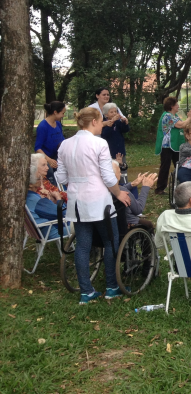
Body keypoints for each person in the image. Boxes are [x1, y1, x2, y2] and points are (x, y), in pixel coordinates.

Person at [55, 107, 131, 304]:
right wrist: (119, 193)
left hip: (77, 201)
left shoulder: (65, 144)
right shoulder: (99, 143)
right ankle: (112, 286)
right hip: (99, 201)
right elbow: (107, 176)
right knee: (110, 242)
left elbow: (61, 177)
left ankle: (86, 292)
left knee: (83, 245)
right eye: (101, 121)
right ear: (95, 122)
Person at [154, 97, 191, 195]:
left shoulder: (175, 115)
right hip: (167, 146)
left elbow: (185, 125)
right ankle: (160, 188)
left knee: (180, 164)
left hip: (175, 144)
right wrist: (189, 117)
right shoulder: (167, 116)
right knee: (165, 166)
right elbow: (180, 125)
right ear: (172, 106)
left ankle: (183, 185)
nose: (178, 106)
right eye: (176, 104)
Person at [27, 153, 68, 239]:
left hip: (44, 229)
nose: (42, 180)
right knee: (87, 225)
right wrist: (58, 199)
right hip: (56, 230)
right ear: (30, 184)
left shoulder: (28, 196)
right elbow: (64, 214)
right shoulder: (37, 200)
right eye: (39, 178)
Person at [115, 163, 157, 233]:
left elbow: (115, 190)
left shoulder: (103, 190)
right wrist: (146, 187)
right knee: (148, 224)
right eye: (119, 172)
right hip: (127, 224)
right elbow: (138, 209)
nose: (120, 174)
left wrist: (132, 184)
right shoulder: (123, 191)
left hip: (110, 225)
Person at [35, 101, 66, 182]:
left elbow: (62, 141)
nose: (63, 115)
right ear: (55, 112)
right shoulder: (43, 126)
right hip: (47, 158)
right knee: (51, 178)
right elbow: (37, 148)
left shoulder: (58, 124)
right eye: (63, 113)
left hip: (58, 157)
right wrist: (48, 160)